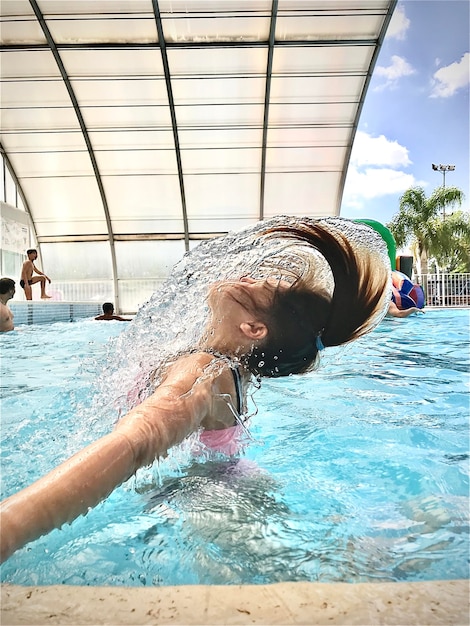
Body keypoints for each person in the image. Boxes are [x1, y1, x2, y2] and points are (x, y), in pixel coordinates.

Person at [0, 217, 391, 563]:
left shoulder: (203, 372)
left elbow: (135, 444)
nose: (247, 277)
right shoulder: (230, 366)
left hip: (218, 503)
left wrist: (9, 528)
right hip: (229, 483)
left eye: (257, 287)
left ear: (254, 330)